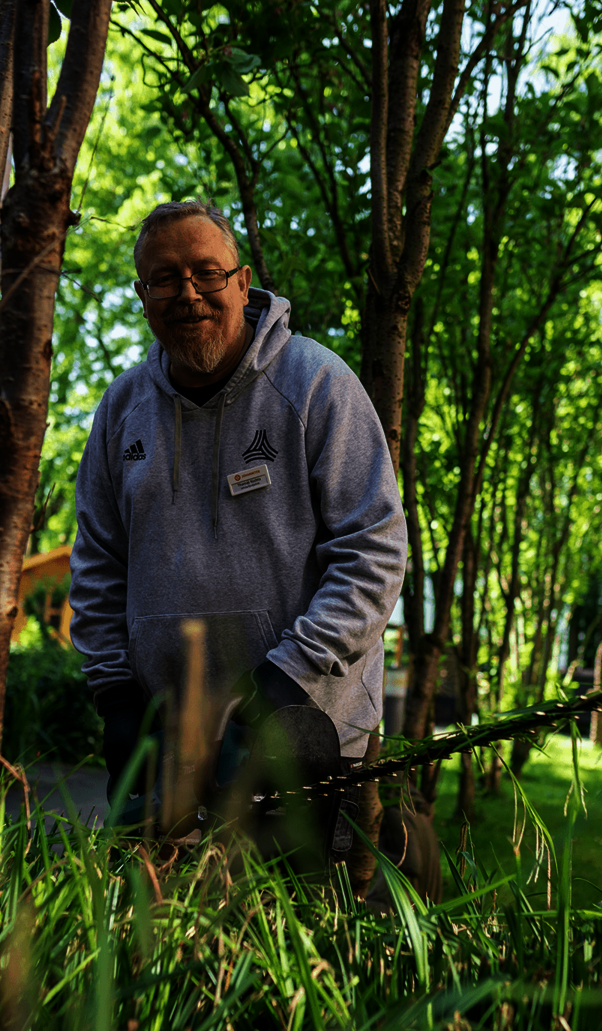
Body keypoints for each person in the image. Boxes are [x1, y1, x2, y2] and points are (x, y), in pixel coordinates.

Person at [69, 198, 407, 843]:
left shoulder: (314, 385)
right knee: (162, 931)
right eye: (164, 279)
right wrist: (113, 693)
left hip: (300, 721)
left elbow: (375, 552)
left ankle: (388, 842)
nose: (187, 293)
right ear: (142, 295)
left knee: (297, 931)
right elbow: (97, 564)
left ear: (243, 282)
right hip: (166, 737)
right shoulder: (121, 411)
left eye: (207, 272)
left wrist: (287, 675)